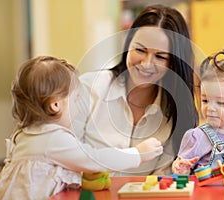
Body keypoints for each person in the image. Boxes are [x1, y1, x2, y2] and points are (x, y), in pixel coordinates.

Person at [0, 56, 163, 199]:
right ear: (55, 105)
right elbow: (95, 159)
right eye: (75, 99)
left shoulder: (28, 134)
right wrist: (138, 154)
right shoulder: (53, 139)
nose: (78, 106)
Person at [75, 5, 198, 175]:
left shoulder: (175, 114)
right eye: (140, 50)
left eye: (160, 57)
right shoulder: (89, 88)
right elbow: (65, 154)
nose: (146, 63)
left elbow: (162, 181)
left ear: (173, 63)